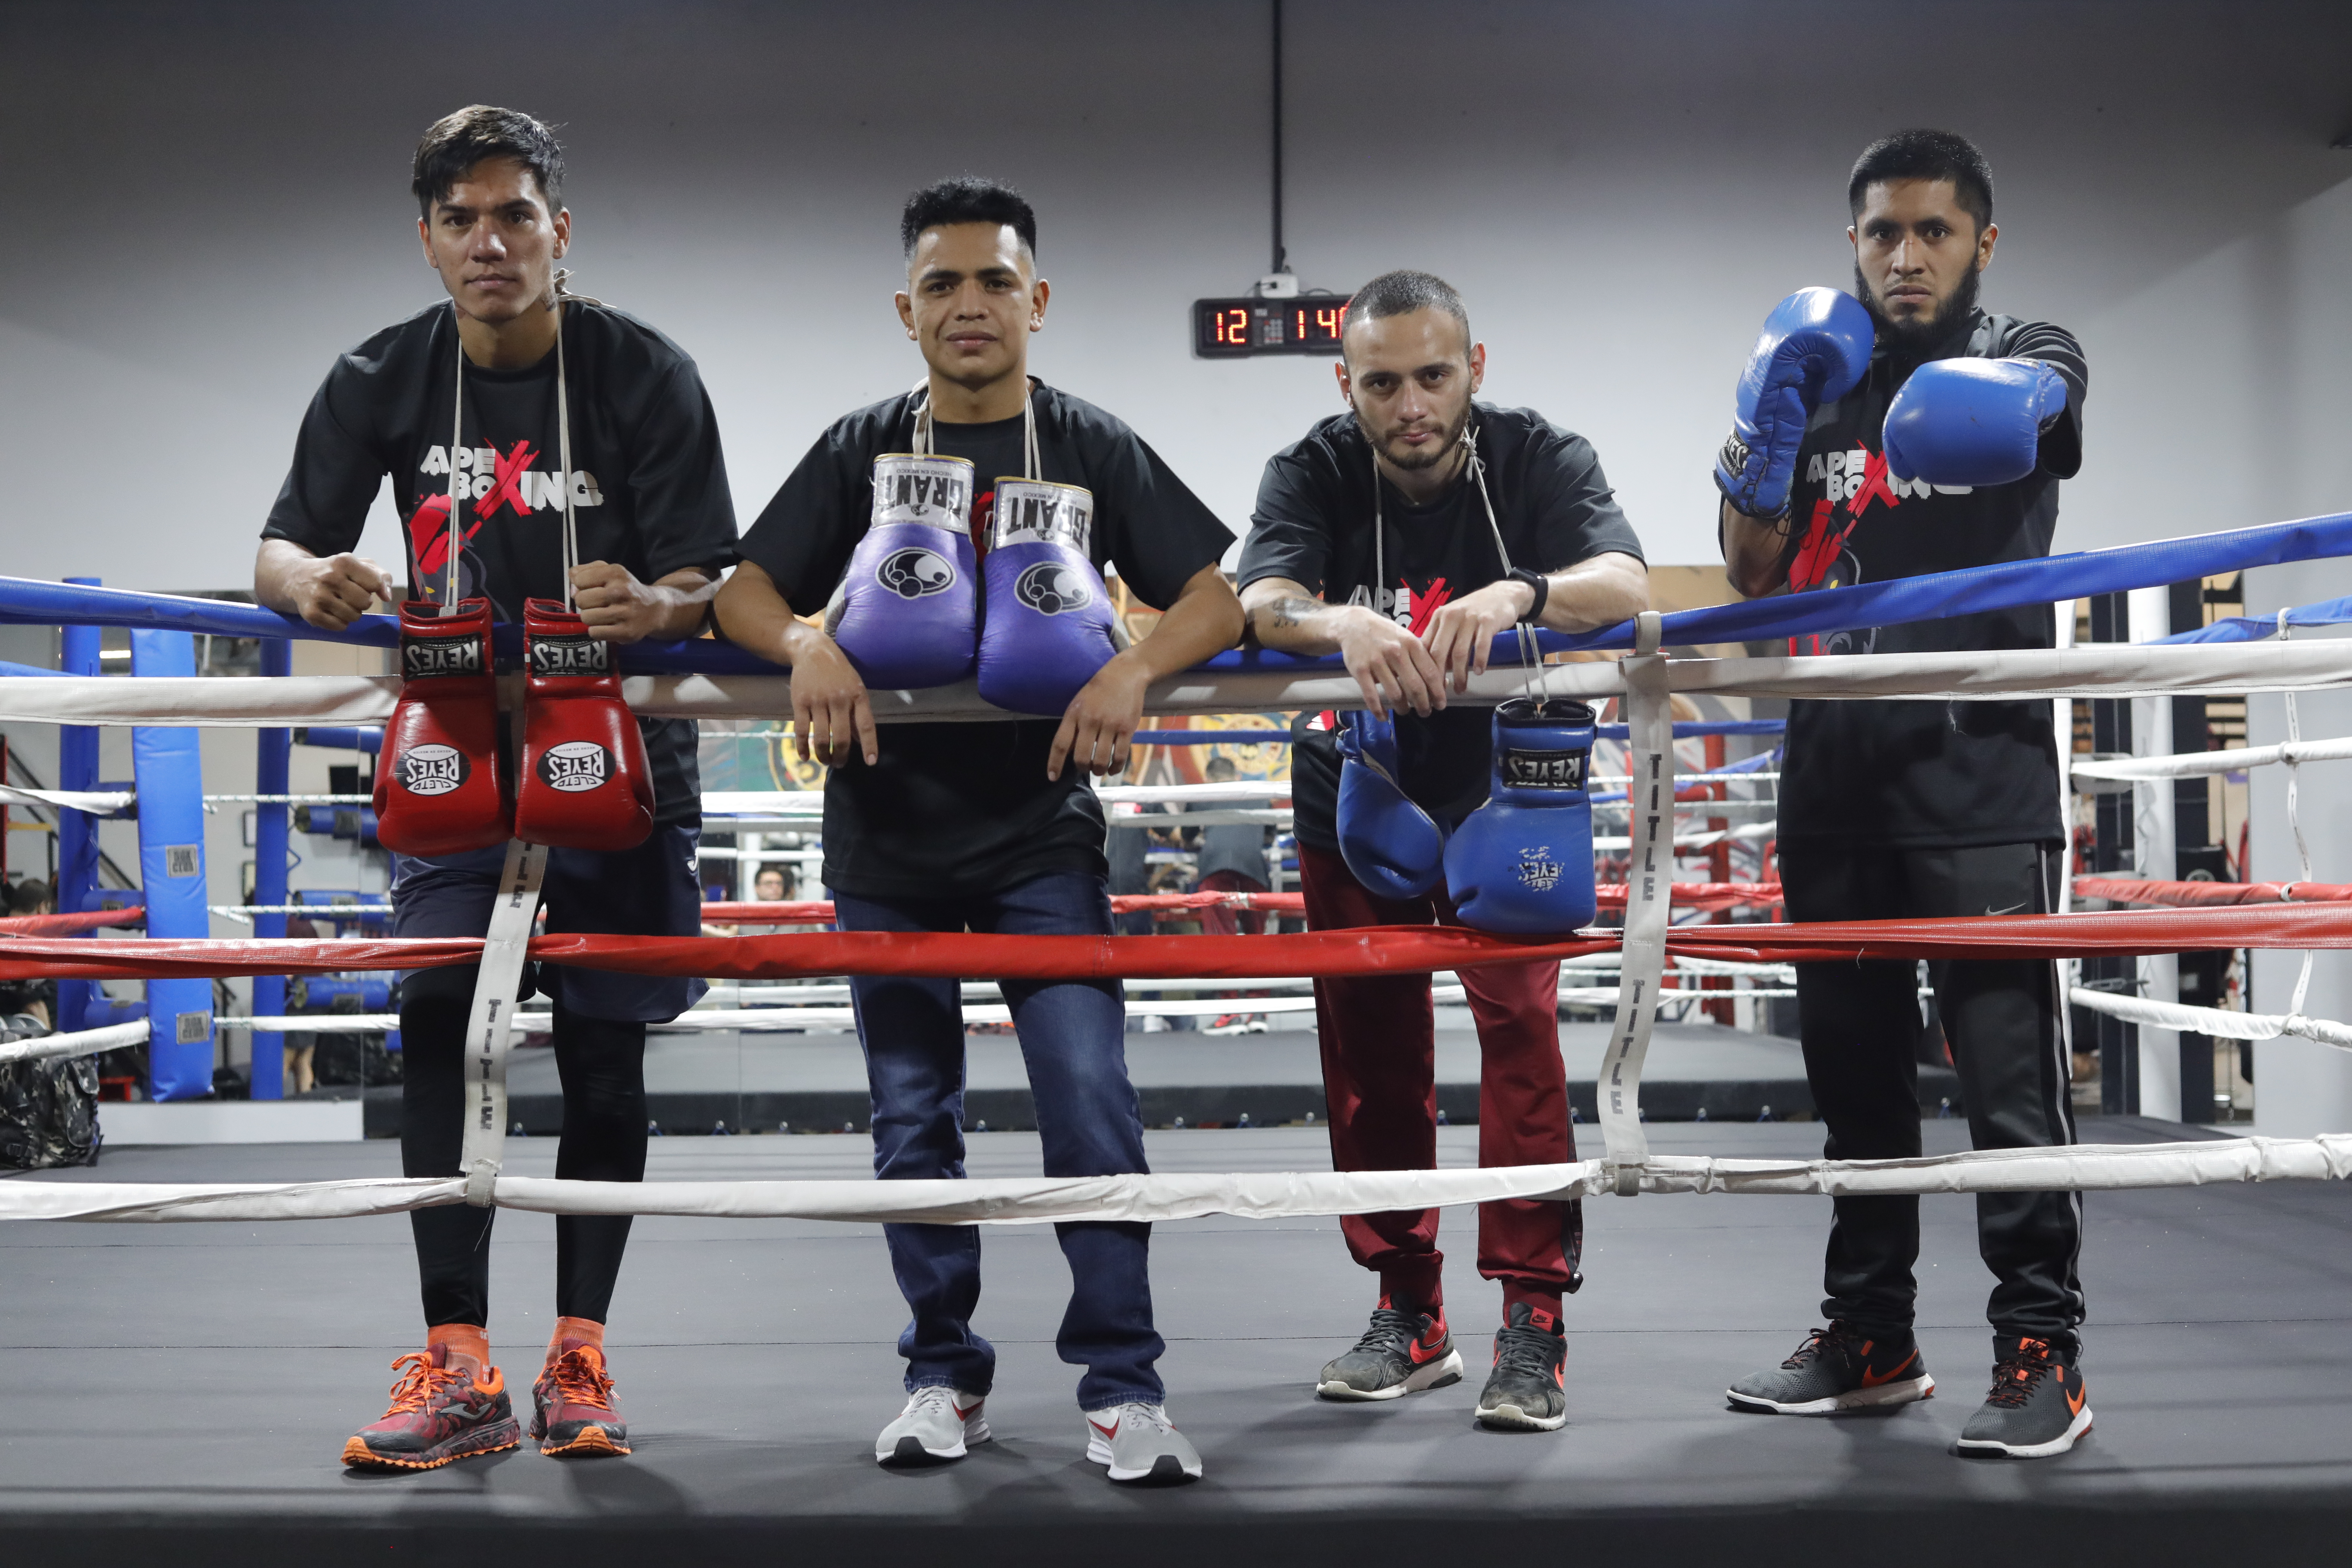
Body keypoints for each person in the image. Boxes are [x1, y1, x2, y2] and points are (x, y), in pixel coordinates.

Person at [715, 177, 1243, 1483]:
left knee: (1088, 1100)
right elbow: (741, 587)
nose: (969, 306)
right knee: (912, 1118)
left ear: (1037, 301)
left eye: (994, 281)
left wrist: (1131, 670)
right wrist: (805, 643)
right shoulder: (859, 449)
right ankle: (942, 1378)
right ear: (908, 309)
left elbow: (1218, 598)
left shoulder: (1089, 445)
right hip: (885, 831)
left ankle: (1124, 1389)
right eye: (943, 284)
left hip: (1039, 829)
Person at [254, 105, 737, 1469]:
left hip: (619, 762)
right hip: (458, 762)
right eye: (461, 219)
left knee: (601, 1044)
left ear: (558, 231)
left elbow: (714, 571)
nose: (489, 241)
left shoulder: (644, 372)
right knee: (434, 1021)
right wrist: (317, 581)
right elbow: (281, 548)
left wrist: (657, 599)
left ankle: (580, 1353)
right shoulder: (378, 375)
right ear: (427, 240)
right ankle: (457, 1364)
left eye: (514, 214)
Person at [1713, 129, 2090, 1458]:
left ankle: (2041, 1349)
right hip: (1831, 776)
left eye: (1934, 232)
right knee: (1857, 1085)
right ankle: (1872, 1336)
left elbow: (2046, 397)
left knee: (2006, 1089)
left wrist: (2000, 394)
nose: (1906, 256)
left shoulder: (2031, 347)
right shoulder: (1812, 370)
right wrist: (1766, 425)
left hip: (1980, 779)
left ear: (1982, 241)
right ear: (1854, 243)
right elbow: (1752, 571)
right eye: (1883, 233)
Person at [1237, 270, 1648, 1431]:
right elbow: (1262, 597)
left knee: (1521, 1041)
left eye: (1431, 376)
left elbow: (1625, 577)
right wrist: (1343, 621)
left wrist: (1522, 594)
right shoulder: (1311, 466)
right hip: (1355, 782)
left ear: (1475, 366)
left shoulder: (1537, 456)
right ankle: (1407, 1308)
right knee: (1370, 1055)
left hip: (1508, 786)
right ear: (1346, 384)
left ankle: (1533, 1323)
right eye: (1381, 383)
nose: (1409, 405)